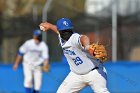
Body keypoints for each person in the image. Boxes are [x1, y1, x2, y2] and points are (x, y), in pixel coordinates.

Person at [39, 18, 109, 93]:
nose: (66, 33)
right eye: (64, 31)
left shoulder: (74, 37)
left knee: (101, 91)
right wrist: (49, 25)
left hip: (94, 73)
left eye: (68, 30)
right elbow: (56, 28)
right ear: (60, 32)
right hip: (76, 75)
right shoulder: (61, 36)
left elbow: (83, 38)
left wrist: (87, 46)